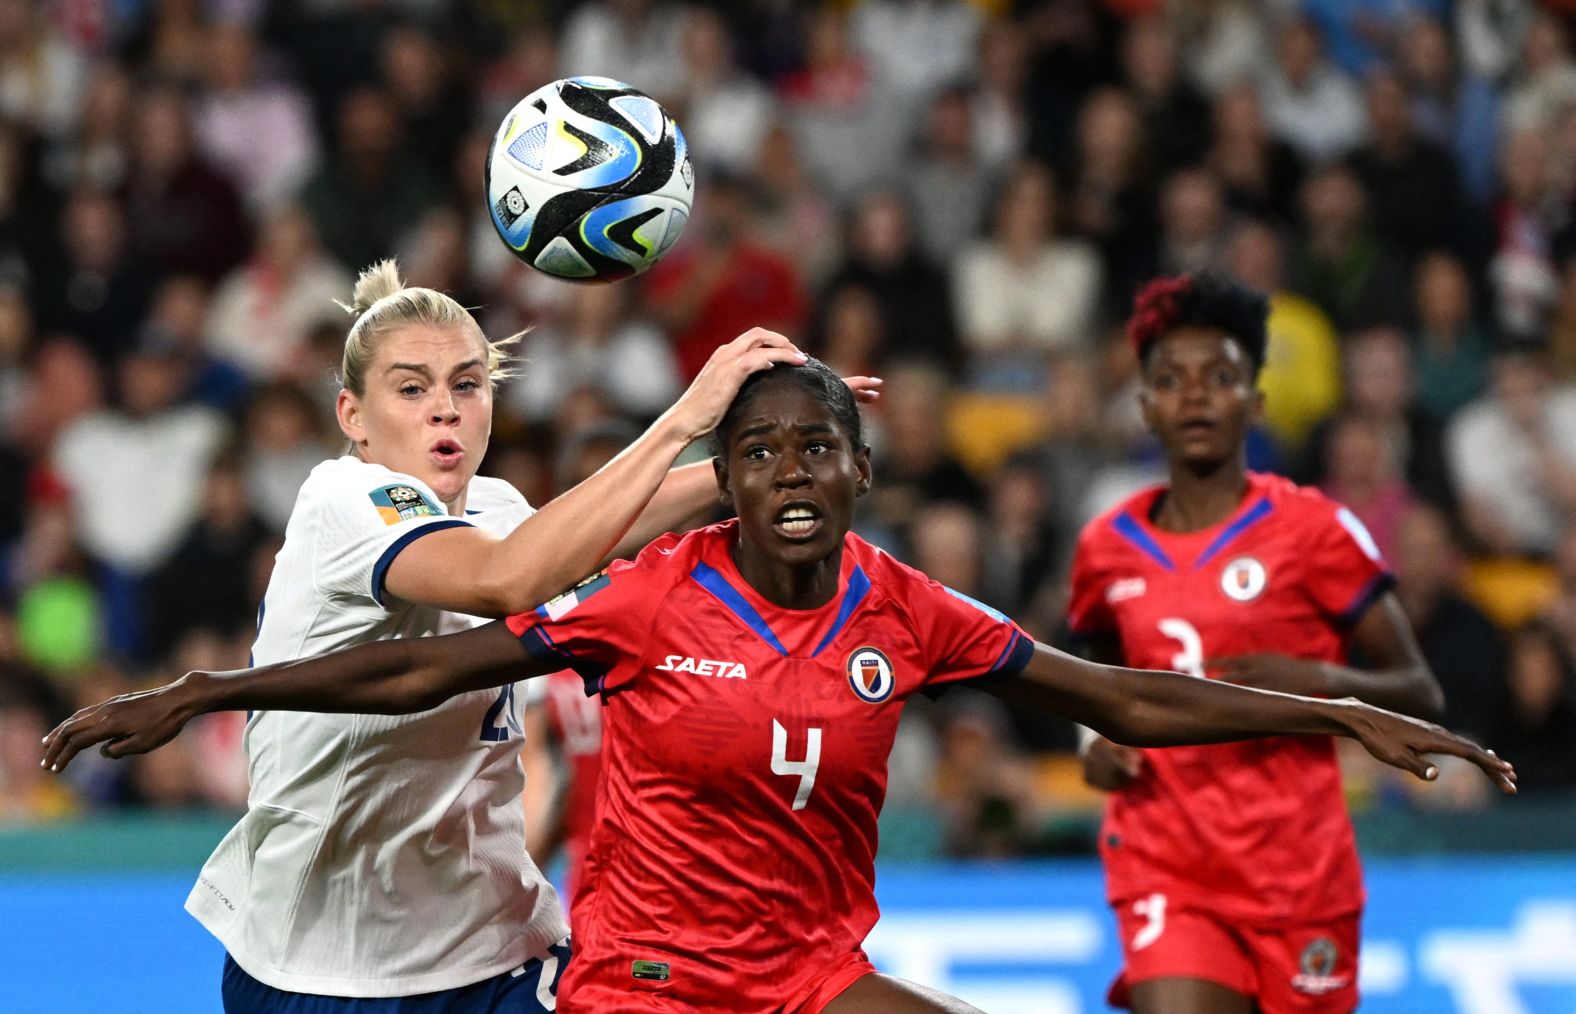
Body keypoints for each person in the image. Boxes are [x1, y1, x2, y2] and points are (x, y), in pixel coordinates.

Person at [44, 360, 1514, 1014]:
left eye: (818, 448)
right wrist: (210, 687)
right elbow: (433, 661)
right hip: (645, 979)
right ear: (723, 483)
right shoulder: (644, 592)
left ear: (857, 471)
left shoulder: (908, 606)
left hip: (806, 972)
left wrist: (1337, 711)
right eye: (761, 455)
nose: (793, 474)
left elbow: (1118, 695)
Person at [60, 253, 827, 1014]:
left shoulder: (495, 507)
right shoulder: (346, 500)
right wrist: (688, 422)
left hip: (494, 948)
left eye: (467, 384)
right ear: (351, 417)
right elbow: (507, 579)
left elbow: (593, 535)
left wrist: (758, 465)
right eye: (412, 388)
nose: (446, 408)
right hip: (328, 967)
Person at [1070, 273, 1456, 1014]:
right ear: (1145, 407)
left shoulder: (1314, 530)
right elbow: (1091, 676)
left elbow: (1419, 689)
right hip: (1165, 858)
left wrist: (1310, 678)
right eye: (1172, 380)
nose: (1195, 396)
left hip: (1297, 869)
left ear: (1257, 402)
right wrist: (1096, 742)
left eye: (1220, 377)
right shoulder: (1104, 547)